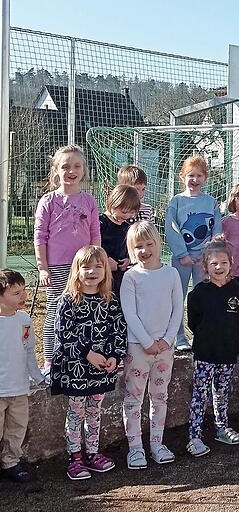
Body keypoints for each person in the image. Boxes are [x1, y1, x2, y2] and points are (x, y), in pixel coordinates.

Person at [50, 246, 126, 481]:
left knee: (94, 411)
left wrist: (115, 355)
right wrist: (88, 354)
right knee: (75, 412)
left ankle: (92, 453)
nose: (92, 271)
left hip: (101, 371)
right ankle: (75, 457)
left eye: (98, 266)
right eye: (86, 267)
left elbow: (119, 332)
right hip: (76, 371)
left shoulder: (110, 301)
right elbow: (63, 335)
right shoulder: (68, 301)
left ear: (106, 270)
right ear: (76, 270)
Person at [120, 221, 184, 470]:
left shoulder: (171, 274)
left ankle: (157, 443)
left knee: (160, 396)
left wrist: (168, 339)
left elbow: (178, 307)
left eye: (149, 244)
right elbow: (130, 314)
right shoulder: (131, 277)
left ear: (158, 244)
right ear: (131, 249)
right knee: (134, 398)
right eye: (138, 246)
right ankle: (135, 448)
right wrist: (146, 342)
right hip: (138, 349)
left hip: (165, 349)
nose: (144, 250)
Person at [34, 145, 101, 368]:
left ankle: (80, 356)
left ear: (84, 170)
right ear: (56, 170)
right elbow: (40, 236)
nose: (71, 171)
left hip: (82, 267)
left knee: (82, 310)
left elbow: (94, 234)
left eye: (76, 166)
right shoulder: (48, 201)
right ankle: (51, 360)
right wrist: (43, 267)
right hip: (57, 266)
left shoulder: (89, 201)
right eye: (65, 166)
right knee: (55, 310)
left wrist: (96, 261)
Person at [186, 238, 239, 457]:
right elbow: (193, 322)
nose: (219, 267)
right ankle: (194, 437)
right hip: (205, 354)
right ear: (205, 267)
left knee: (222, 393)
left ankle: (221, 428)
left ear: (231, 263)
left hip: (228, 353)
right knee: (200, 395)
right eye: (214, 264)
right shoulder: (198, 293)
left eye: (223, 263)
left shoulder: (237, 291)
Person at [165, 155, 222, 351]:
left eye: (199, 175)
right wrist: (182, 253)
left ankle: (203, 334)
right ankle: (179, 337)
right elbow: (171, 228)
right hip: (182, 259)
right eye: (190, 175)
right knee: (177, 297)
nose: (195, 180)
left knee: (204, 296)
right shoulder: (177, 201)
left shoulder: (210, 202)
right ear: (182, 176)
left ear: (205, 178)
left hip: (203, 260)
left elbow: (217, 229)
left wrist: (209, 253)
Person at [0, 269, 46, 483]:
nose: (23, 296)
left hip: (19, 388)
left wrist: (38, 377)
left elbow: (29, 350)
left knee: (16, 428)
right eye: (16, 293)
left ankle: (11, 462)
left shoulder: (24, 320)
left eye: (23, 290)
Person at [100, 184, 140, 298]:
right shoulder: (101, 223)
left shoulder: (127, 227)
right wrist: (106, 260)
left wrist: (128, 259)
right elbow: (95, 244)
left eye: (131, 213)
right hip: (102, 271)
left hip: (119, 274)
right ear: (113, 204)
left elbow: (130, 247)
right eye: (123, 212)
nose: (127, 216)